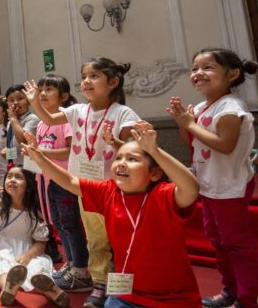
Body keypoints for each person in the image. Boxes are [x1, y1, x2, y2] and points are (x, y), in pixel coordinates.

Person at [23, 122, 202, 307]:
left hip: (172, 296)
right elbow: (69, 180)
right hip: (127, 291)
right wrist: (41, 159)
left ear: (155, 173)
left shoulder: (163, 195)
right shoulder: (108, 191)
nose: (122, 163)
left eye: (132, 159)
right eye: (118, 158)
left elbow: (191, 188)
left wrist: (155, 151)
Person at [24, 57, 140, 308]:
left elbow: (130, 150)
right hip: (85, 186)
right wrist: (35, 102)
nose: (86, 81)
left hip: (114, 188)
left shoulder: (124, 113)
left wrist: (114, 143)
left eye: (94, 76)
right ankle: (99, 283)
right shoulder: (77, 111)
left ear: (113, 82)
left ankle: (123, 285)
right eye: (84, 76)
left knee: (119, 238)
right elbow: (49, 119)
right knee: (96, 238)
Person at [167, 48, 258, 308]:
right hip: (209, 185)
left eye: (207, 67)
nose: (198, 73)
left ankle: (247, 298)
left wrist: (190, 123)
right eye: (195, 68)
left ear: (232, 74)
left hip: (229, 186)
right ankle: (230, 290)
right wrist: (182, 122)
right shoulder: (200, 107)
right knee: (218, 242)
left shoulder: (231, 107)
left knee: (237, 245)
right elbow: (192, 142)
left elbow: (225, 144)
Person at [0, 166, 69, 307]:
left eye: (18, 177)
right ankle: (8, 288)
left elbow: (40, 243)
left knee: (37, 265)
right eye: (9, 176)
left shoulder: (34, 212)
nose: (12, 180)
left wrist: (28, 255)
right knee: (0, 265)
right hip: (1, 247)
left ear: (29, 184)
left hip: (27, 248)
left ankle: (52, 291)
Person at [29, 74, 90, 290]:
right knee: (59, 225)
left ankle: (82, 271)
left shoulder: (66, 120)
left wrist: (41, 151)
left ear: (63, 96)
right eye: (41, 89)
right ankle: (71, 263)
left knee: (71, 225)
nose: (43, 93)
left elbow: (70, 152)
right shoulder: (42, 123)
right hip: (47, 179)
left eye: (49, 89)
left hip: (64, 179)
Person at [3, 85, 40, 169]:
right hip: (15, 164)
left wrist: (13, 119)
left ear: (28, 101)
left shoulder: (32, 119)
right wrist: (8, 153)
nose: (15, 102)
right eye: (11, 100)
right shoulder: (11, 121)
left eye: (20, 98)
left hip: (28, 166)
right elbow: (13, 141)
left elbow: (23, 140)